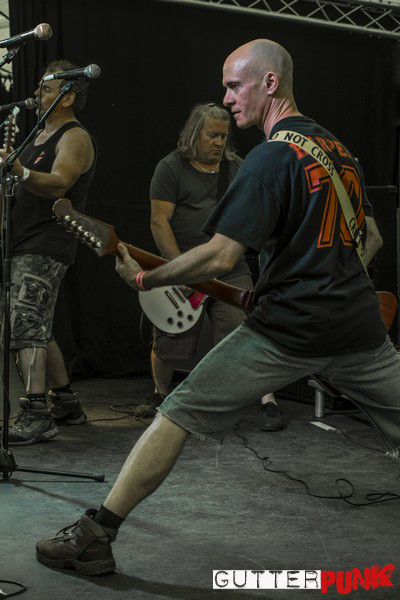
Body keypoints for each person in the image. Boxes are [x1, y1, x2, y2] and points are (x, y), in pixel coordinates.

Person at [35, 39, 397, 577]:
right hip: (359, 330)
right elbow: (372, 237)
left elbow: (222, 255)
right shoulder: (339, 150)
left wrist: (146, 277)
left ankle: (95, 537)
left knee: (176, 414)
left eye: (234, 86)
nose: (226, 99)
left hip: (286, 332)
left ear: (270, 83)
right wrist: (327, 279)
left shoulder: (270, 157)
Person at [137, 101, 282, 431]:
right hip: (183, 267)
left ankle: (268, 402)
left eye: (223, 136)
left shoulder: (236, 168)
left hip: (229, 269)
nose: (219, 142)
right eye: (212, 135)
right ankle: (160, 395)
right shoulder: (171, 167)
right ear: (193, 134)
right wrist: (180, 269)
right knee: (169, 340)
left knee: (246, 335)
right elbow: (159, 222)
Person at [0, 60, 97, 446]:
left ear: (67, 97)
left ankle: (37, 414)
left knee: (25, 323)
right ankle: (66, 402)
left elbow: (59, 183)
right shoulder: (37, 135)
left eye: (46, 88)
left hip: (46, 243)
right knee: (35, 324)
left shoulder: (75, 137)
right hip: (21, 241)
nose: (37, 93)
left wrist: (20, 172)